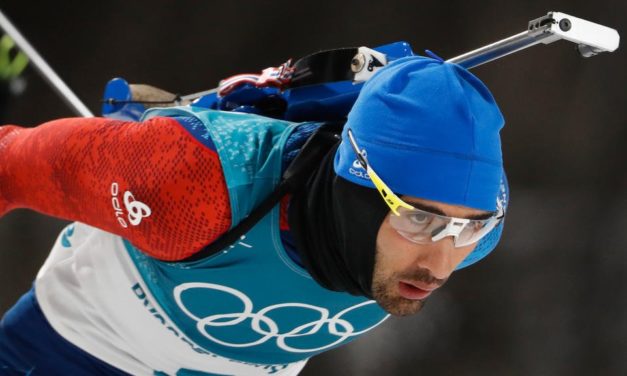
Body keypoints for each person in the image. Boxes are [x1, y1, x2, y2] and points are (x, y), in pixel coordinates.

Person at [0, 56, 508, 375]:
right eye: (418, 218)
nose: (441, 262)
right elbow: (10, 161)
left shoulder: (471, 233)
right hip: (80, 352)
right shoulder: (192, 183)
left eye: (471, 225)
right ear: (357, 190)